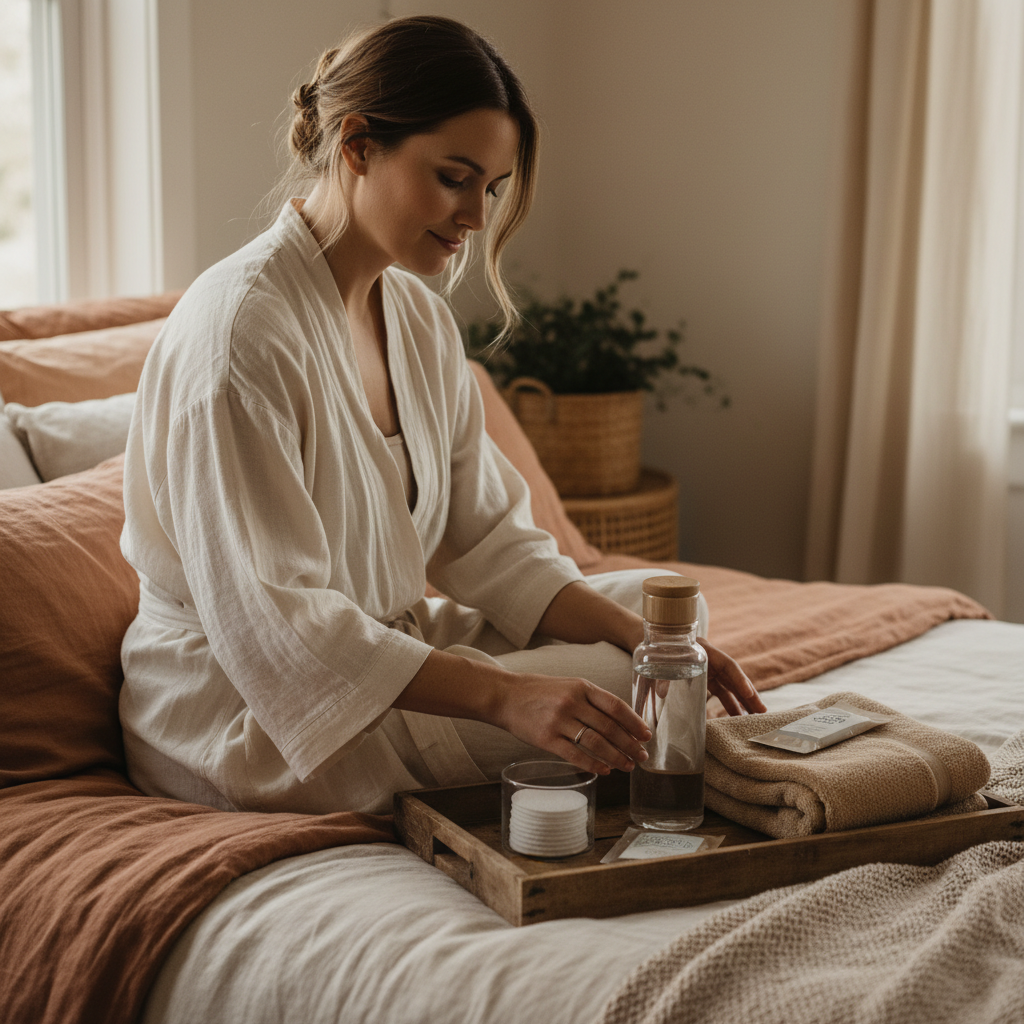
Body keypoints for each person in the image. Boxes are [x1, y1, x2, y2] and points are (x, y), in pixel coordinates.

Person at [118, 15, 764, 816]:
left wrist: (645, 639)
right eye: (454, 178)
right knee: (635, 683)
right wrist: (503, 699)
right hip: (257, 709)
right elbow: (277, 622)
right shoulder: (239, 336)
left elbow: (491, 542)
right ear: (357, 146)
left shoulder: (416, 319)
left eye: (490, 188)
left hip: (388, 650)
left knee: (666, 619)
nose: (477, 217)